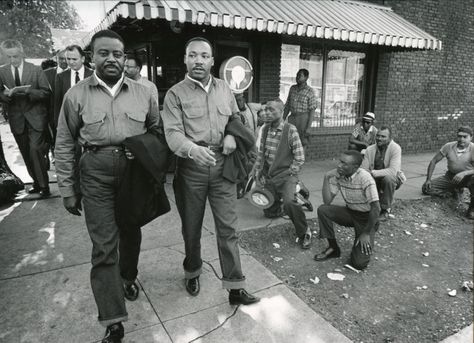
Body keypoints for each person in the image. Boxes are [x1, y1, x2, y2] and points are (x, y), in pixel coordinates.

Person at [55, 30, 161, 343]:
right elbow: (63, 142)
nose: (112, 59)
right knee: (104, 247)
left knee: (131, 232)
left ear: (124, 57)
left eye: (117, 53)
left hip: (133, 175)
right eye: (104, 53)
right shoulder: (76, 95)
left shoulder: (144, 93)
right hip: (95, 173)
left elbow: (157, 132)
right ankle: (114, 321)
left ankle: (128, 277)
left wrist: (141, 147)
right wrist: (67, 188)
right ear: (91, 58)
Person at [161, 36, 259, 306]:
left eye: (204, 56)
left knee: (228, 228)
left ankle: (235, 287)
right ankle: (192, 271)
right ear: (185, 59)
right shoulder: (175, 94)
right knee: (191, 228)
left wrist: (232, 135)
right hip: (191, 167)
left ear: (212, 61)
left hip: (222, 167)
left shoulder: (225, 89)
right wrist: (192, 150)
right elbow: (172, 133)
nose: (198, 60)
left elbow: (235, 118)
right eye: (192, 55)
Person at [253, 99, 313, 249]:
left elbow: (299, 159)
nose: (267, 112)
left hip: (287, 175)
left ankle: (304, 231)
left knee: (289, 203)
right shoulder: (265, 129)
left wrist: (287, 174)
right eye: (266, 109)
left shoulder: (290, 129)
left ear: (281, 111)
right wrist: (258, 171)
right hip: (270, 176)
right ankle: (290, 197)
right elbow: (261, 154)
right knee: (269, 213)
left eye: (271, 110)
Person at [0, 39, 51, 196]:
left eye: (15, 56)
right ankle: (36, 182)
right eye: (8, 57)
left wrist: (29, 91)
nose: (12, 60)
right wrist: (6, 96)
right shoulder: (2, 72)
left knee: (35, 150)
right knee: (26, 152)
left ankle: (44, 186)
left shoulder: (36, 70)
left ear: (21, 53)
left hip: (36, 118)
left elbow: (47, 93)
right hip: (17, 120)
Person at [315, 150, 380, 270]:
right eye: (340, 161)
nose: (339, 165)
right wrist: (326, 177)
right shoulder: (339, 176)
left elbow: (376, 209)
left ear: (355, 167)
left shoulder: (365, 178)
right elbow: (327, 201)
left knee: (359, 264)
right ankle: (333, 248)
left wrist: (365, 233)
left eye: (344, 163)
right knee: (323, 210)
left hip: (366, 218)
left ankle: (364, 239)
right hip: (350, 213)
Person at [422, 125, 474, 219]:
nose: (461, 139)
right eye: (459, 136)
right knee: (426, 188)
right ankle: (451, 192)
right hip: (450, 177)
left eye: (465, 137)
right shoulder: (449, 146)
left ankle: (471, 210)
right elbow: (434, 161)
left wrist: (463, 173)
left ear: (471, 137)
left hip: (468, 178)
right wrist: (428, 179)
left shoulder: (473, 149)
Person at [361, 126, 403, 220]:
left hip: (392, 178)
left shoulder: (395, 148)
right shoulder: (370, 149)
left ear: (390, 138)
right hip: (374, 178)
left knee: (388, 179)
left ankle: (385, 209)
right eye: (378, 136)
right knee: (363, 176)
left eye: (383, 136)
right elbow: (363, 169)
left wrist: (373, 172)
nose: (379, 138)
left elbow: (393, 171)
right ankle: (371, 204)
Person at [54, 45, 93, 130]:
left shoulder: (93, 75)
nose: (71, 62)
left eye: (74, 59)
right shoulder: (61, 77)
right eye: (68, 59)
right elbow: (57, 103)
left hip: (91, 123)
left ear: (82, 59)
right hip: (68, 124)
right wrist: (58, 124)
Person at [283, 68, 317, 149]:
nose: (297, 77)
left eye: (300, 75)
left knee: (302, 142)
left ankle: (301, 161)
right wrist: (282, 119)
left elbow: (312, 110)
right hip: (292, 118)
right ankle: (291, 160)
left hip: (303, 119)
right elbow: (288, 105)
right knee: (290, 140)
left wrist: (308, 128)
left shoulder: (310, 91)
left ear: (306, 78)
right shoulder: (292, 88)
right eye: (297, 75)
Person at [44, 49, 68, 161]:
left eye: (67, 58)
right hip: (51, 112)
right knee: (54, 135)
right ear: (56, 59)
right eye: (61, 58)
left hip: (69, 111)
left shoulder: (74, 74)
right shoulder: (46, 74)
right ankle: (55, 154)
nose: (64, 61)